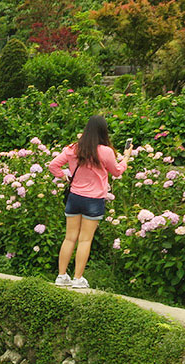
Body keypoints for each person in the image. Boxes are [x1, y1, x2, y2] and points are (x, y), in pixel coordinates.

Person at [47, 115, 131, 289]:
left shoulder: (74, 148)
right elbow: (116, 172)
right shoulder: (105, 151)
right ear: (103, 131)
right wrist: (126, 159)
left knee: (69, 238)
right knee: (85, 240)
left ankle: (61, 276)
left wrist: (65, 176)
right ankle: (78, 279)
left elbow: (53, 165)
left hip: (74, 197)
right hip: (94, 199)